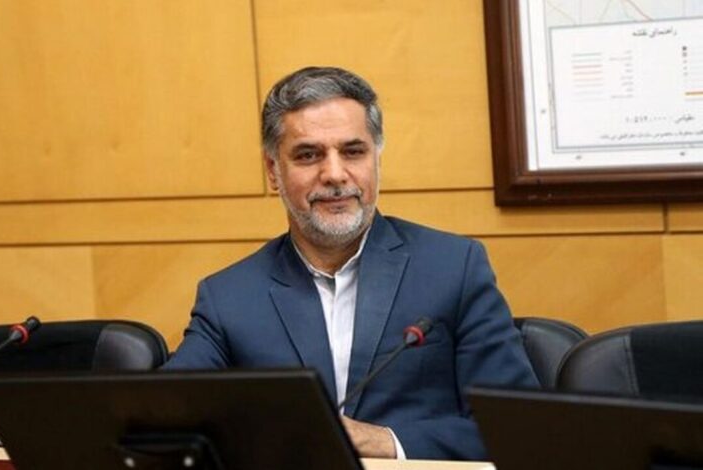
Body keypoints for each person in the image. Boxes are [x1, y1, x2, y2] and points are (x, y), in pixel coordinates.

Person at [164, 66, 539, 460]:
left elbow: (519, 427)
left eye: (353, 151)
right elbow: (166, 416)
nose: (334, 174)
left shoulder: (453, 268)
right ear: (274, 171)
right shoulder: (229, 297)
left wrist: (384, 442)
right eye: (308, 155)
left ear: (376, 158)